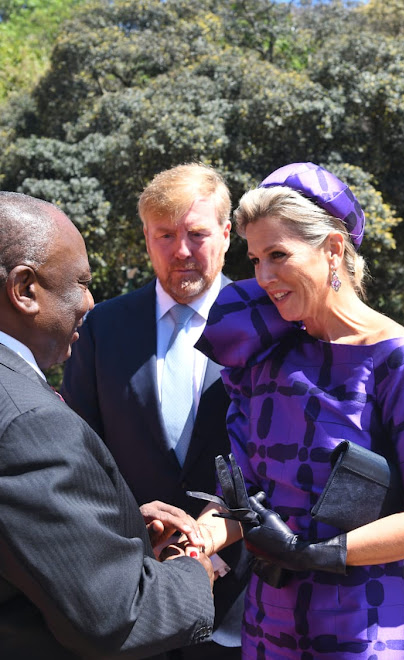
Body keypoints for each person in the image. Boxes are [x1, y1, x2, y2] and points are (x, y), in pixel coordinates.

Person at [0, 190, 217, 659]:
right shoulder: (28, 425)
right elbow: (117, 618)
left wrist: (119, 526)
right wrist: (193, 565)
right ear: (25, 289)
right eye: (80, 282)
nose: (91, 302)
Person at [172, 162, 404, 659]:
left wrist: (315, 554)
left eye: (278, 255)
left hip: (365, 628)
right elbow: (242, 499)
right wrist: (195, 540)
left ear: (332, 248)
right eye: (256, 258)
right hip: (269, 626)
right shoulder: (266, 355)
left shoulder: (396, 357)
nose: (263, 277)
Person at [61, 163, 249, 659]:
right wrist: (131, 527)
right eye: (165, 235)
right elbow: (80, 449)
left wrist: (218, 532)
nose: (181, 251)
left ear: (227, 234)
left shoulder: (268, 322)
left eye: (196, 234)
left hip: (242, 598)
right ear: (146, 236)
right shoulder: (102, 326)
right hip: (129, 588)